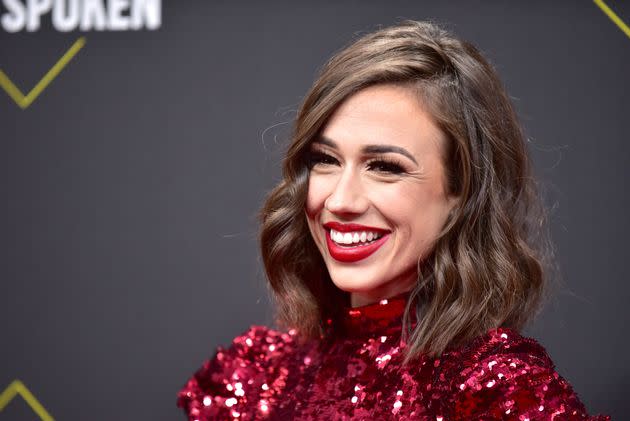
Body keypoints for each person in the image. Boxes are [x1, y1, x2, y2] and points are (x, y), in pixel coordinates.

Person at [177, 20, 610, 420]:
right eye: (325, 160)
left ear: (461, 195)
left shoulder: (496, 390)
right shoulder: (259, 377)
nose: (341, 200)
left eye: (385, 166)